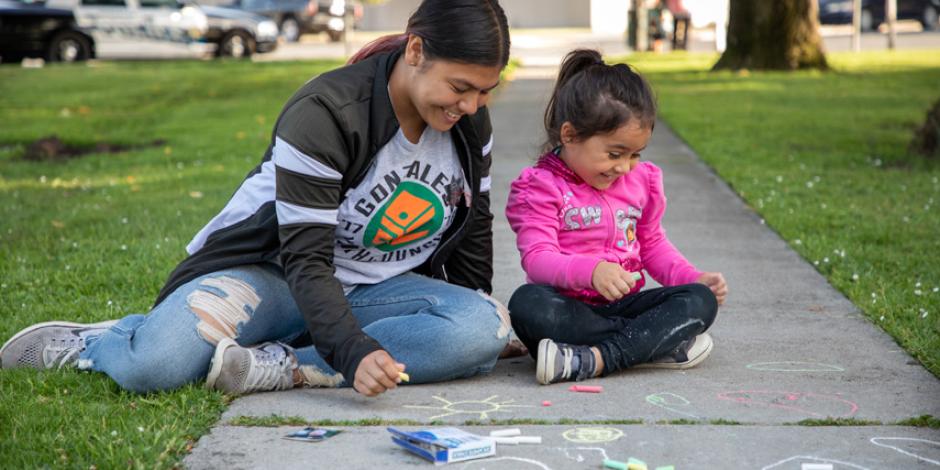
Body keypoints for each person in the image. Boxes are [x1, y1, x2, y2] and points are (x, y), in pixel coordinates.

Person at [0, 0, 514, 398]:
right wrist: (354, 351)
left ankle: (289, 365)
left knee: (480, 328)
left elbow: (475, 222)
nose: (470, 106)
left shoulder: (468, 123)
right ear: (417, 51)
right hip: (276, 275)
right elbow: (306, 258)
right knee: (153, 367)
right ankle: (103, 341)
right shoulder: (327, 113)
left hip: (374, 289)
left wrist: (473, 304)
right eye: (461, 87)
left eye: (485, 92)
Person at [505, 49, 727, 385]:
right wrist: (591, 271)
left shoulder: (642, 181)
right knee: (526, 305)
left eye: (635, 154)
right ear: (570, 135)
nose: (624, 167)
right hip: (568, 310)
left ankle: (593, 358)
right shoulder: (540, 187)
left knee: (700, 300)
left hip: (624, 304)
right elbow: (538, 259)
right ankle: (651, 344)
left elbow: (651, 243)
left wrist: (690, 277)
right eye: (614, 154)